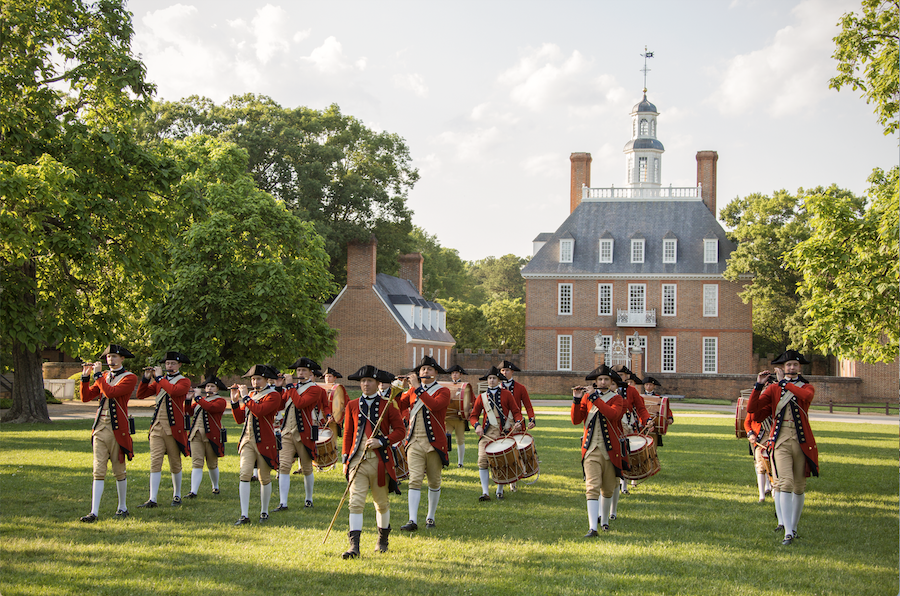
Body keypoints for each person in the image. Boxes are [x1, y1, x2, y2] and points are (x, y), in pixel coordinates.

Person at [747, 350, 818, 546]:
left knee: (799, 487)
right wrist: (758, 385)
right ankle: (787, 531)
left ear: (799, 367)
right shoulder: (773, 389)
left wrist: (784, 383)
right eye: (788, 365)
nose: (791, 367)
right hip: (780, 440)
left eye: (795, 364)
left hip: (801, 441)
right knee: (784, 484)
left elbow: (806, 396)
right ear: (783, 367)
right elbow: (752, 409)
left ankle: (793, 527)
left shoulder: (806, 386)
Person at [341, 365, 405, 558]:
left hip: (379, 462)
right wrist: (345, 459)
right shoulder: (352, 405)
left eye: (369, 381)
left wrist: (382, 441)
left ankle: (382, 540)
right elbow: (348, 433)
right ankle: (354, 546)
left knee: (381, 503)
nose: (365, 384)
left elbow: (400, 431)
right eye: (363, 381)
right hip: (357, 461)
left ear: (377, 383)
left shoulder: (389, 404)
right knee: (355, 503)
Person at [79, 344, 138, 522]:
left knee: (119, 470)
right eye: (108, 357)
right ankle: (94, 512)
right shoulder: (104, 376)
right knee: (98, 470)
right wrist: (85, 377)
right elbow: (86, 397)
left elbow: (111, 393)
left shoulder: (130, 377)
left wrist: (98, 376)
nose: (110, 359)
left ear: (122, 359)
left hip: (117, 430)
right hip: (100, 427)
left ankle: (122, 507)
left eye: (114, 356)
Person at [397, 356, 450, 531]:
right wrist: (398, 389)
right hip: (414, 441)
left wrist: (417, 388)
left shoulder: (443, 391)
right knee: (414, 480)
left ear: (436, 373)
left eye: (429, 369)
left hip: (434, 443)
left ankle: (430, 517)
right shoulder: (412, 390)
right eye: (422, 369)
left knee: (434, 481)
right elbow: (398, 406)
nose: (425, 371)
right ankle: (412, 520)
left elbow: (433, 405)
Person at [571, 365, 626, 536]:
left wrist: (594, 397)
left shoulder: (617, 399)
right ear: (595, 381)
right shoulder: (588, 397)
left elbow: (612, 415)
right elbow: (576, 420)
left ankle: (604, 520)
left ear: (611, 382)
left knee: (608, 489)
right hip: (591, 449)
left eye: (606, 379)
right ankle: (592, 528)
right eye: (600, 379)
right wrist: (577, 399)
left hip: (610, 451)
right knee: (592, 486)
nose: (603, 382)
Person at [137, 351, 192, 508]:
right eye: (167, 363)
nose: (169, 366)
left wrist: (160, 378)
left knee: (175, 462)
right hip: (157, 427)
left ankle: (177, 495)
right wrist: (146, 378)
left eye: (173, 363)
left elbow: (174, 391)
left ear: (179, 365)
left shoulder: (184, 381)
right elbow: (141, 394)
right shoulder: (160, 381)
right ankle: (152, 498)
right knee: (155, 461)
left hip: (173, 429)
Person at [231, 364, 282, 525]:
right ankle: (244, 515)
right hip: (247, 440)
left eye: (258, 379)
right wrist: (234, 402)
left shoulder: (273, 395)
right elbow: (240, 419)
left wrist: (246, 398)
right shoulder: (252, 395)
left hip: (264, 441)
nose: (255, 382)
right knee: (244, 474)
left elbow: (259, 411)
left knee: (264, 477)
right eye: (253, 379)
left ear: (266, 379)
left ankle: (264, 511)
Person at [276, 357, 327, 511]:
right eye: (298, 370)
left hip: (304, 433)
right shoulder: (291, 388)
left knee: (306, 467)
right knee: (284, 466)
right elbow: (279, 405)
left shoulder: (315, 389)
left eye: (304, 370)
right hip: (287, 431)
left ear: (310, 373)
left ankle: (308, 499)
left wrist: (289, 386)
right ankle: (283, 502)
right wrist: (279, 388)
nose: (300, 373)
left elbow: (300, 403)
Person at [469, 366, 522, 501]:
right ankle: (485, 492)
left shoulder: (507, 394)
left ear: (499, 380)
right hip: (487, 433)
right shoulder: (482, 397)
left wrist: (518, 422)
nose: (491, 380)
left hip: (503, 433)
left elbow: (516, 411)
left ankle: (499, 490)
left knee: (502, 462)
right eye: (489, 378)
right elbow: (473, 416)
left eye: (494, 378)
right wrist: (477, 425)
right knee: (482, 461)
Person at [185, 375, 228, 498]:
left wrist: (198, 398)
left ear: (217, 389)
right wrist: (188, 400)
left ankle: (215, 486)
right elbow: (189, 412)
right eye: (207, 386)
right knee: (197, 463)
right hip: (196, 434)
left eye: (212, 386)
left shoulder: (220, 401)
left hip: (211, 436)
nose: (209, 388)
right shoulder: (201, 401)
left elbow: (210, 408)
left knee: (212, 463)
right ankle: (193, 491)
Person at [444, 364, 473, 468]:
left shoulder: (465, 387)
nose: (454, 375)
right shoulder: (446, 386)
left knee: (460, 440)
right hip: (448, 418)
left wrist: (469, 408)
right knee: (445, 440)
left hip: (460, 419)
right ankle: (445, 461)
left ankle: (460, 462)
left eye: (456, 373)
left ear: (460, 374)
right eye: (452, 373)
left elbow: (472, 400)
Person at [499, 361, 535, 429]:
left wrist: (532, 420)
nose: (505, 372)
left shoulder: (521, 388)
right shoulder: (498, 388)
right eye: (503, 370)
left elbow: (528, 406)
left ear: (512, 371)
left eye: (507, 370)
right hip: (501, 424)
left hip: (517, 422)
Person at [642, 376, 673, 447]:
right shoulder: (640, 397)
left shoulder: (658, 398)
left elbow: (666, 409)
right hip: (643, 424)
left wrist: (670, 418)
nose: (648, 387)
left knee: (653, 446)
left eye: (650, 385)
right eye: (646, 385)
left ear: (654, 386)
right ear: (644, 386)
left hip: (655, 424)